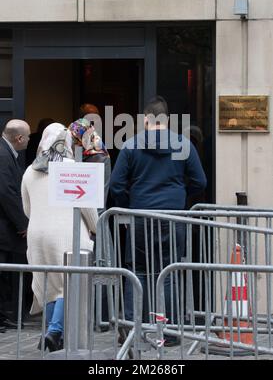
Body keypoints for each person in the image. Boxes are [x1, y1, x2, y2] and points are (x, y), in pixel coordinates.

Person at [110, 96, 207, 331]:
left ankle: (135, 328)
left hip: (141, 216)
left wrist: (129, 205)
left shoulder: (131, 145)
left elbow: (115, 185)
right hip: (172, 217)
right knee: (170, 272)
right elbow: (200, 182)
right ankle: (170, 330)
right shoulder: (183, 145)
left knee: (138, 271)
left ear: (146, 119)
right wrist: (181, 199)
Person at [21, 123, 98, 352]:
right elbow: (88, 208)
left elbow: (27, 208)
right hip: (67, 233)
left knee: (48, 282)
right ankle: (55, 331)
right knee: (68, 283)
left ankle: (52, 333)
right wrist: (94, 227)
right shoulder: (72, 168)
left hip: (37, 235)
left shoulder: (30, 171)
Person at [0, 119, 31, 329]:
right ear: (19, 138)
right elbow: (6, 192)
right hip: (4, 227)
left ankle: (3, 316)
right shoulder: (3, 155)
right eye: (28, 136)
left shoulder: (6, 152)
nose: (29, 140)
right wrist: (23, 223)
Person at [70, 114, 111, 215]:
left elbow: (100, 198)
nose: (71, 144)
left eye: (74, 140)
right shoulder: (73, 154)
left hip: (95, 216)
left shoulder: (101, 157)